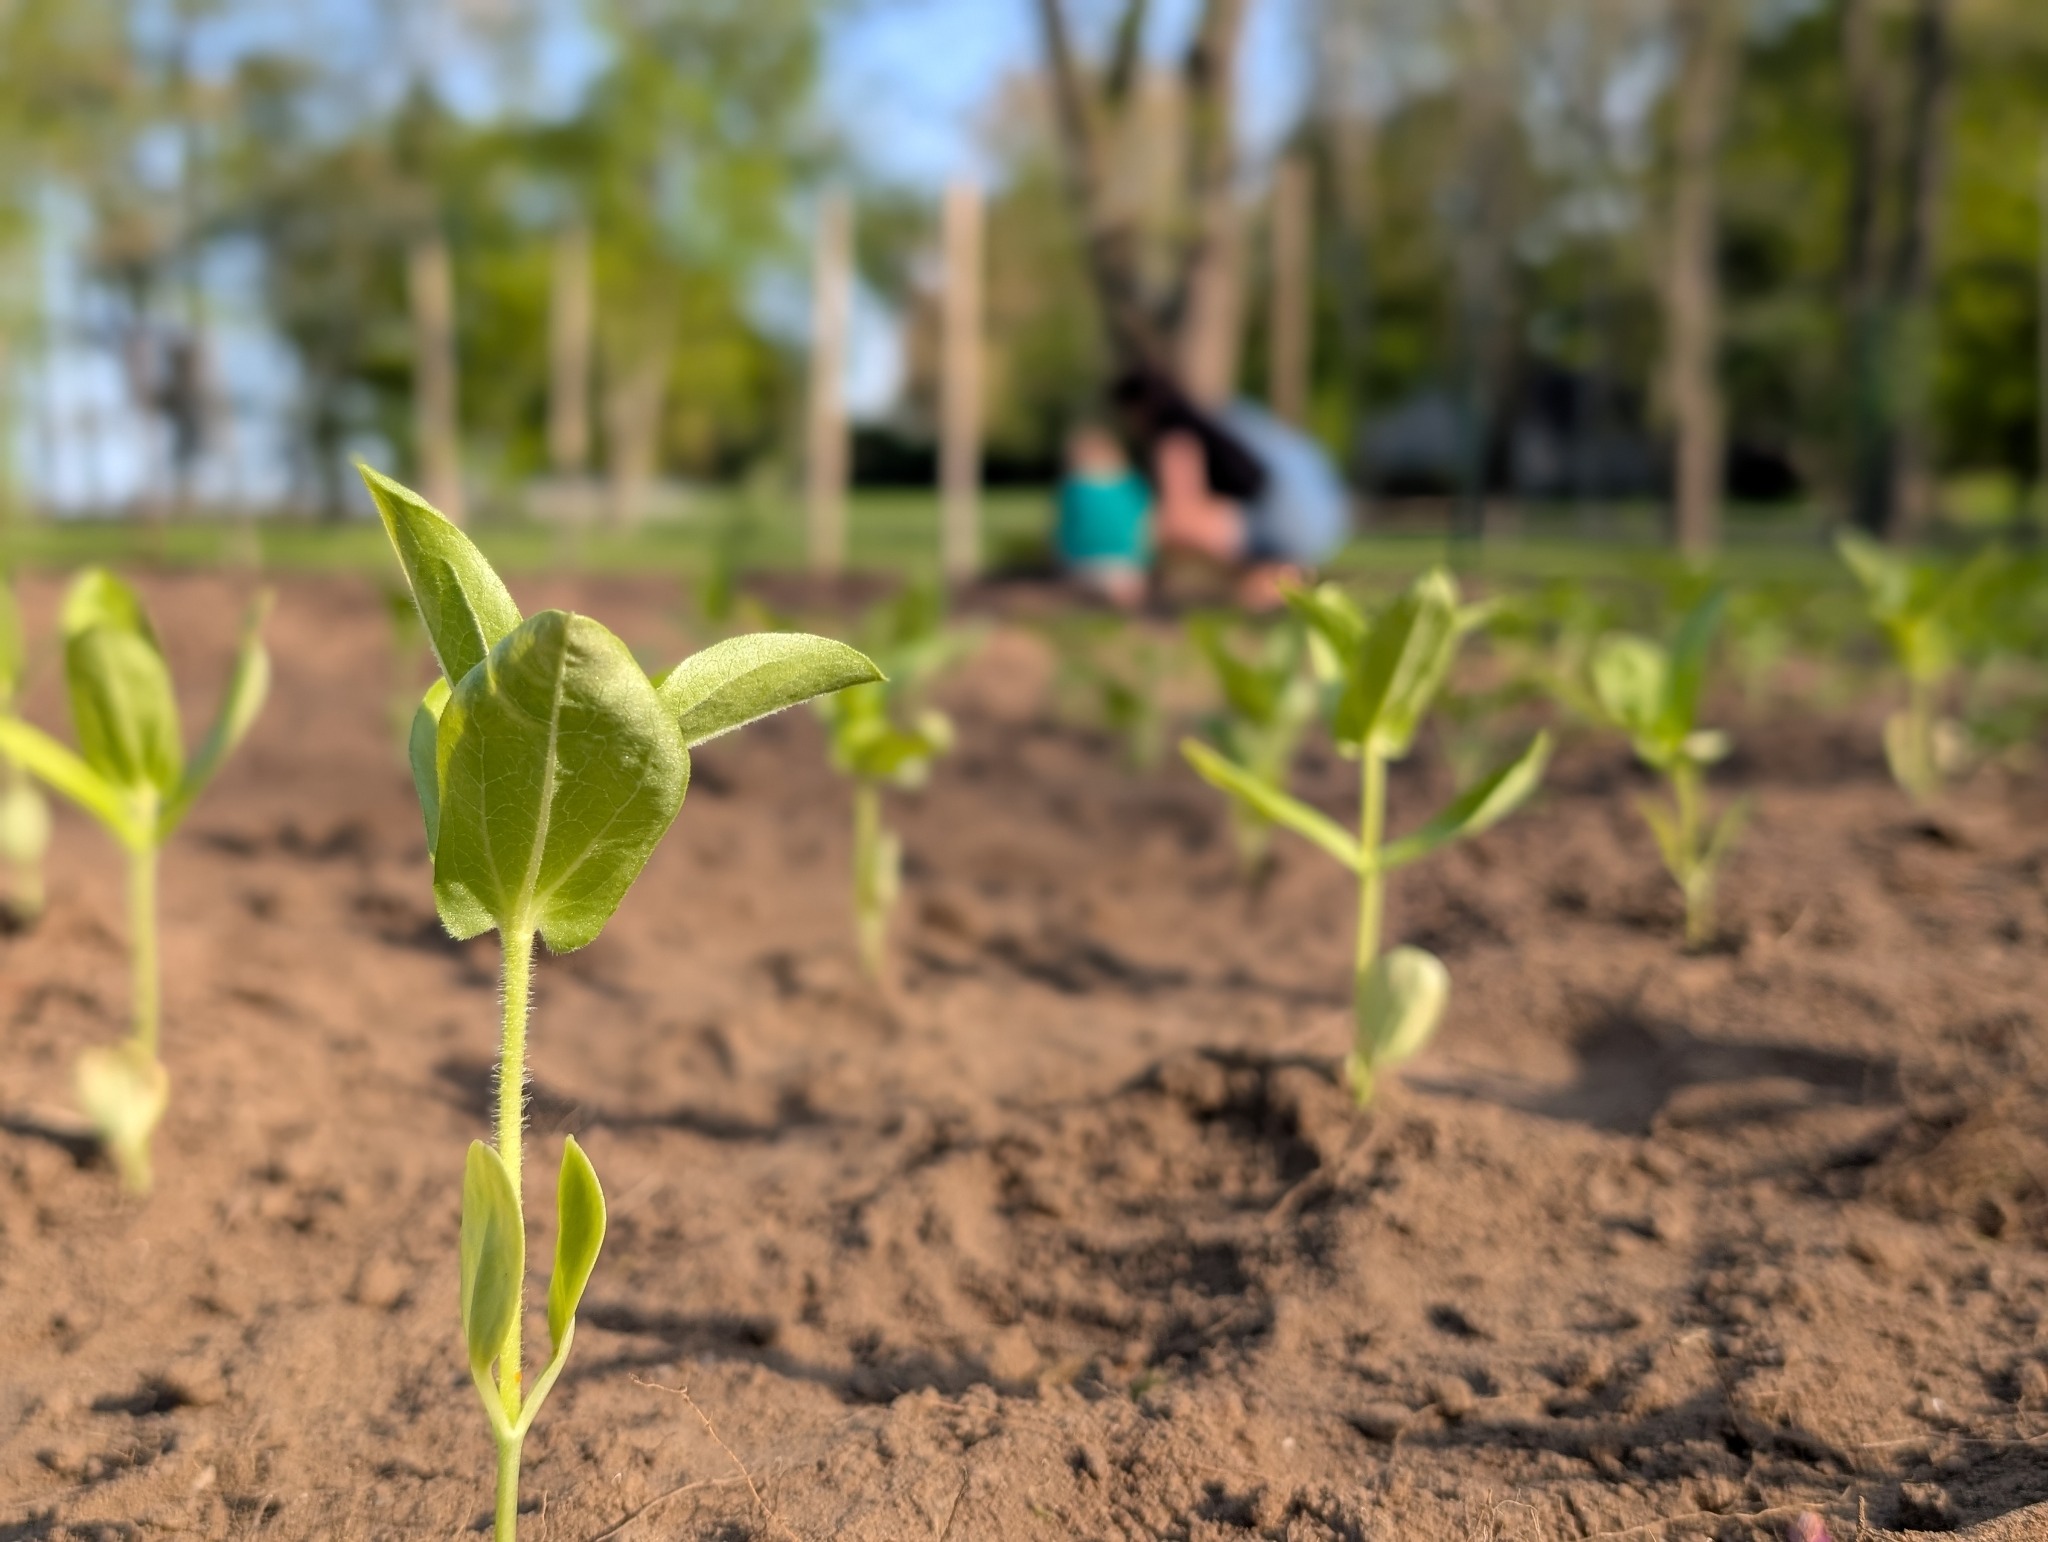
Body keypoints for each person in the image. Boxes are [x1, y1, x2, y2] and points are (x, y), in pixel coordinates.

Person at [1112, 368, 1350, 608]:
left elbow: (1177, 515)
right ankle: (1280, 577)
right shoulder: (1230, 415)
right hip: (1331, 521)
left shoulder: (1176, 433)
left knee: (1165, 528)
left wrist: (1129, 543)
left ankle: (1266, 579)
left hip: (1284, 524)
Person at [1053, 420, 1153, 608]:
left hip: (1081, 565)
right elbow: (1146, 528)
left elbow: (1062, 532)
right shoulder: (1133, 485)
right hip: (1126, 565)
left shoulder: (1072, 488)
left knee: (1079, 590)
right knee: (1128, 589)